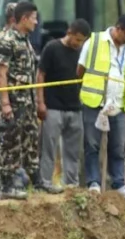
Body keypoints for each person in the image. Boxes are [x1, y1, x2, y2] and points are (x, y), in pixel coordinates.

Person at [0, 1, 58, 198]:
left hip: (27, 102)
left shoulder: (25, 39)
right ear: (23, 19)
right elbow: (1, 73)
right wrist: (5, 103)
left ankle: (37, 181)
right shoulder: (7, 40)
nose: (36, 22)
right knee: (11, 143)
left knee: (31, 141)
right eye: (33, 18)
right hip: (13, 102)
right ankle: (6, 186)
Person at [77, 13, 125, 197]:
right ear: (118, 28)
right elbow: (80, 70)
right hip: (94, 103)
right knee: (92, 144)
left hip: (118, 105)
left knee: (118, 147)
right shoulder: (94, 42)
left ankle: (119, 184)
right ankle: (94, 182)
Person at [37, 18, 89, 190]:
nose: (79, 44)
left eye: (82, 41)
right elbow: (41, 74)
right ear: (69, 33)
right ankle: (46, 182)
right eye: (78, 39)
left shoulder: (81, 53)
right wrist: (41, 102)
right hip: (53, 107)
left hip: (75, 107)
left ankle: (71, 184)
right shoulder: (52, 48)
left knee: (73, 151)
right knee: (49, 148)